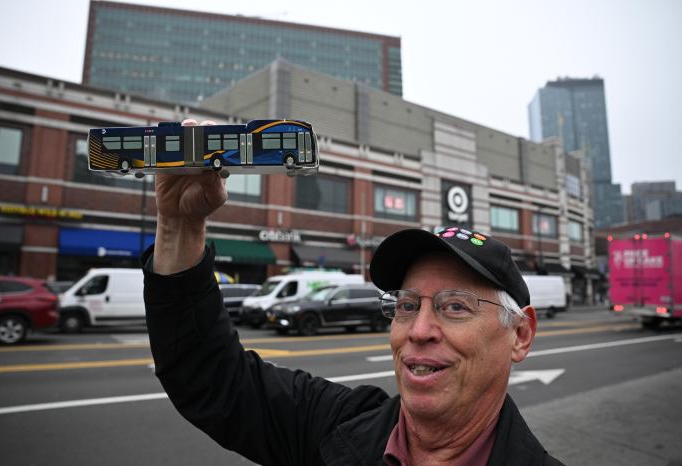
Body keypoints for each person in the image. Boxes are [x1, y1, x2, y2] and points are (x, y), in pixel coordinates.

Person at [142, 120, 564, 465]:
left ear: (520, 334)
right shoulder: (334, 427)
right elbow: (210, 378)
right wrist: (179, 226)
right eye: (406, 305)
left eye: (454, 306)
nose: (418, 330)